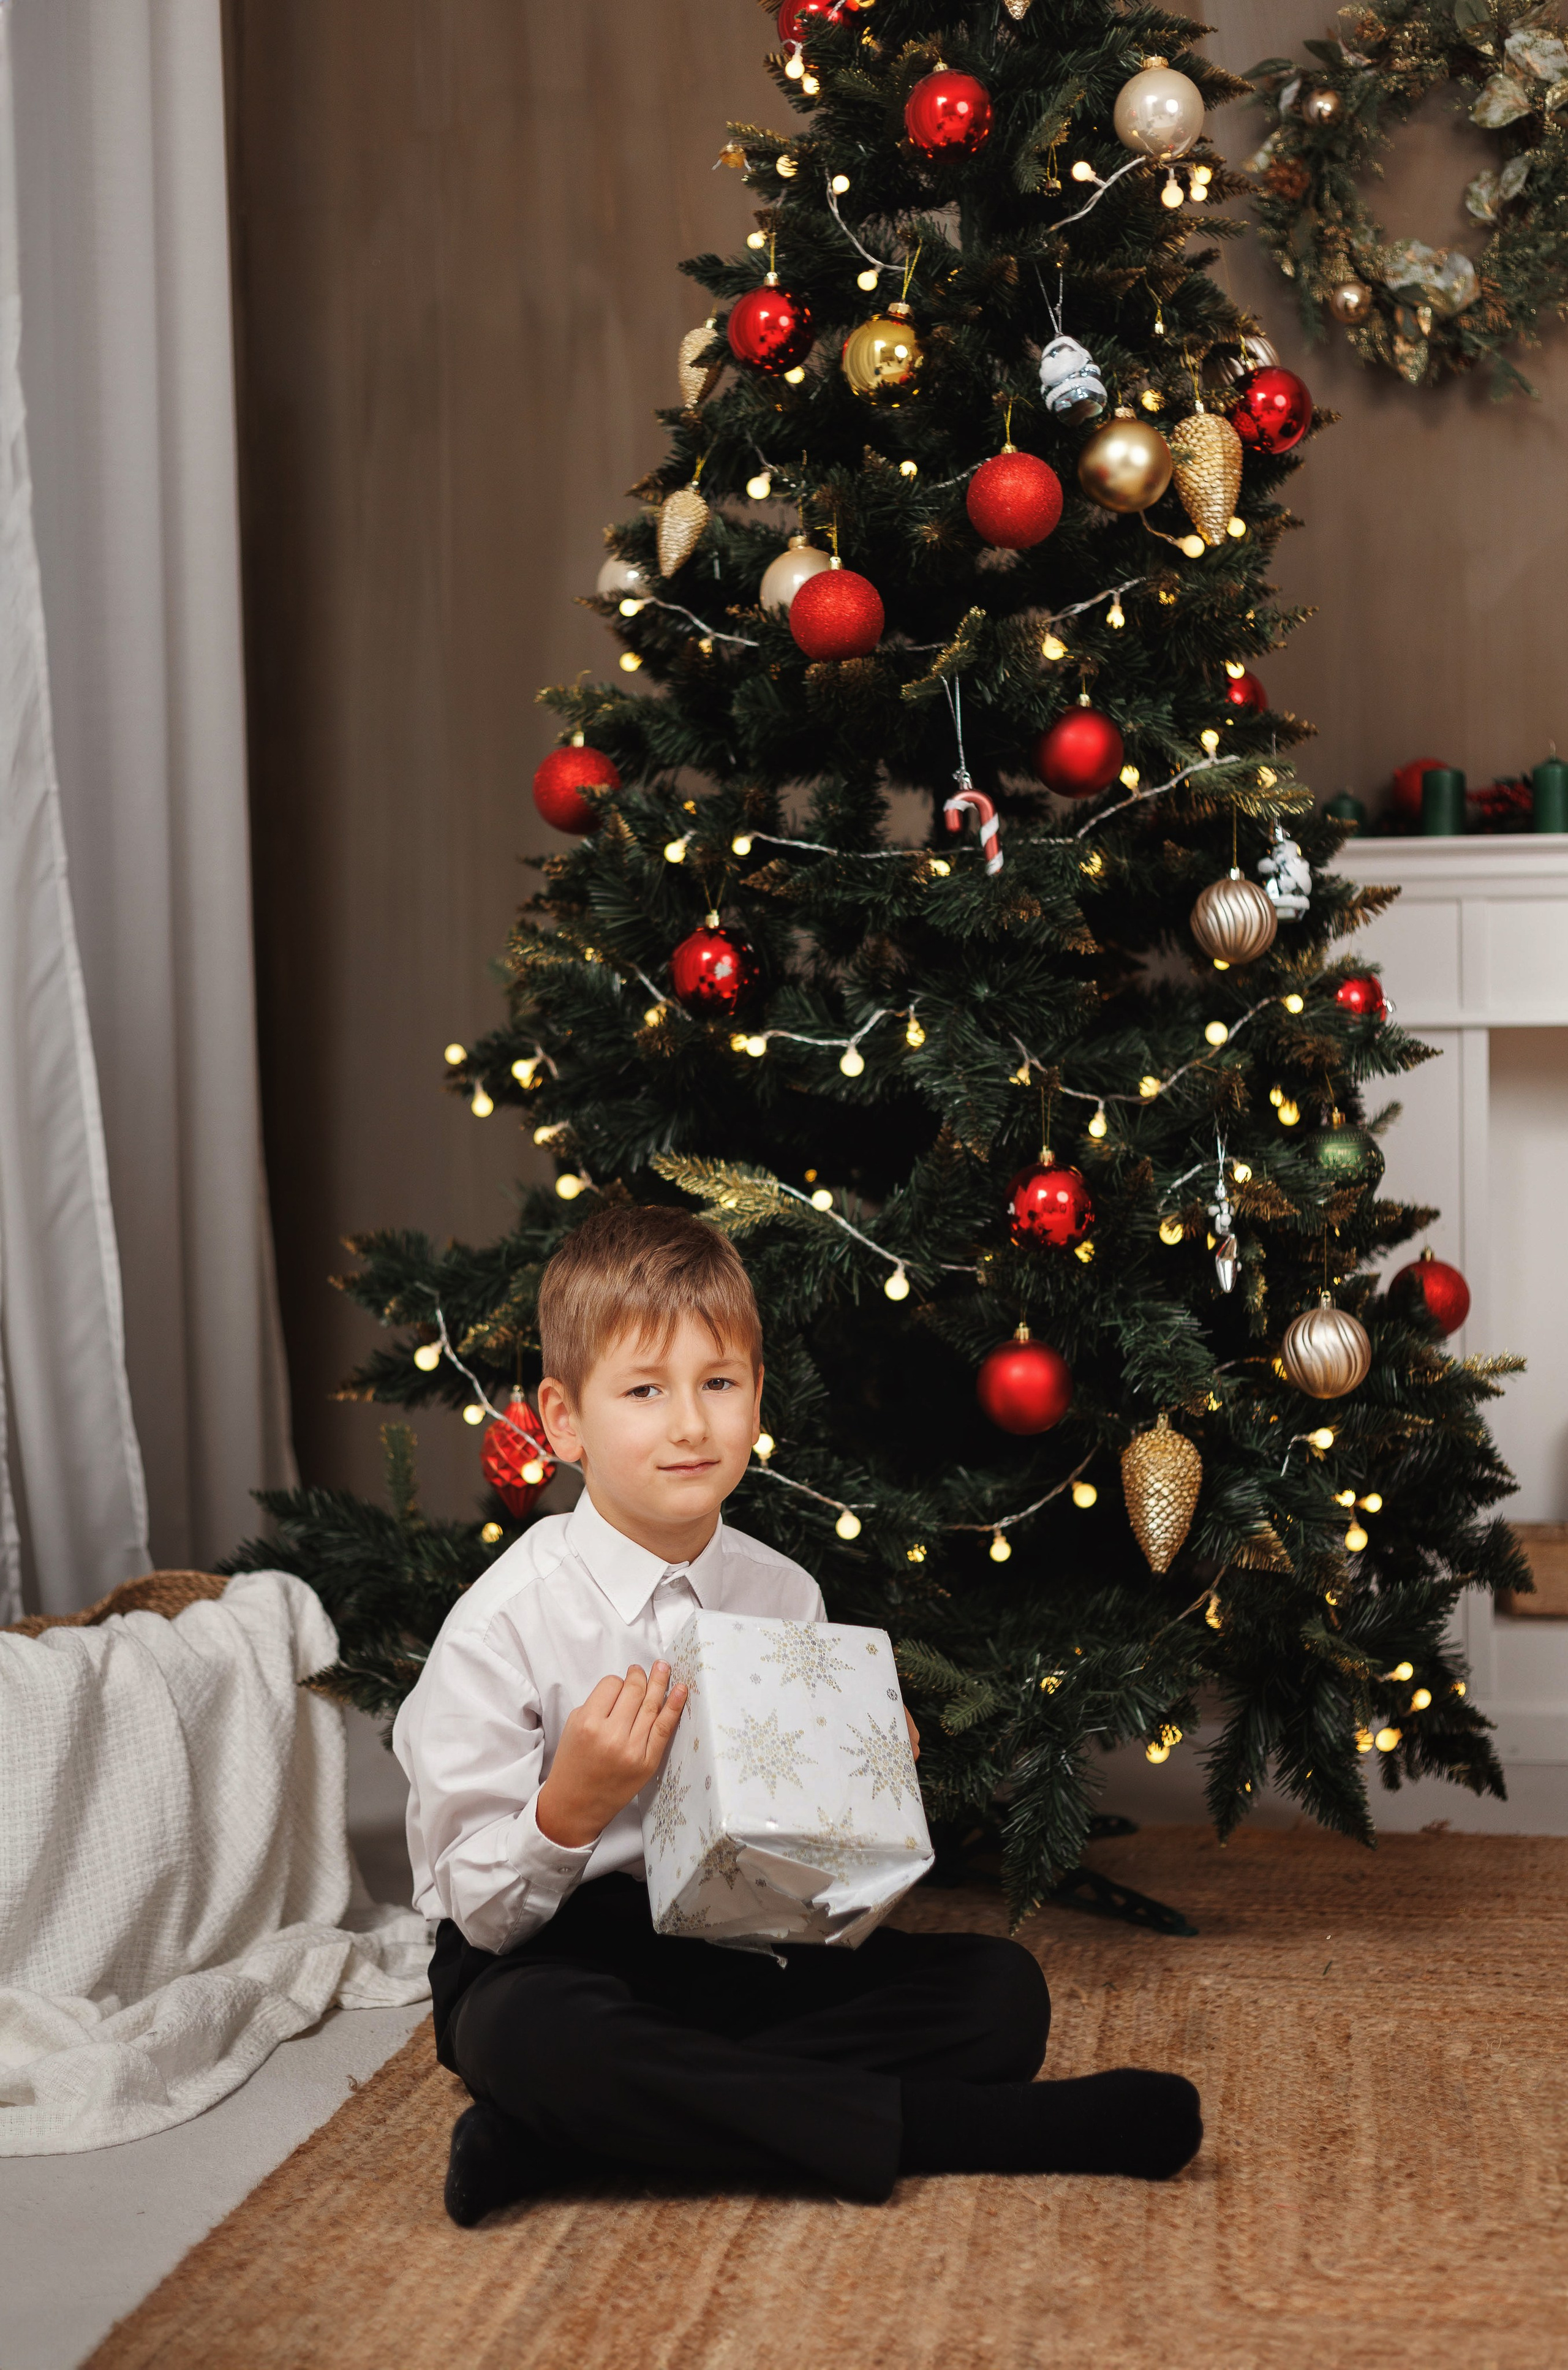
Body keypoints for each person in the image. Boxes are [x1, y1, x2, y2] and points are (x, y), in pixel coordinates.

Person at [393, 1203, 1202, 2225]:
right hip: (548, 1951)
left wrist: (860, 1797)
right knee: (533, 2036)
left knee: (1000, 1995)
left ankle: (559, 2134)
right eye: (645, 1390)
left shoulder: (784, 1594)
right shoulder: (500, 1624)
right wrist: (570, 1807)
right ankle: (959, 2131)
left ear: (757, 1396)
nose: (691, 1423)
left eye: (719, 1384)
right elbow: (478, 1908)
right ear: (563, 1422)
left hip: (730, 1951)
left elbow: (805, 1905)